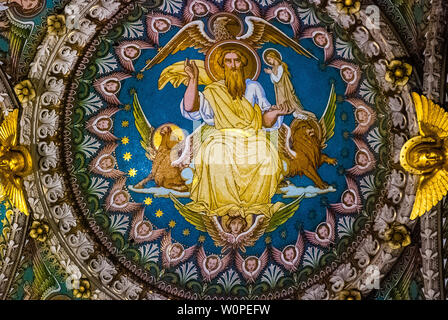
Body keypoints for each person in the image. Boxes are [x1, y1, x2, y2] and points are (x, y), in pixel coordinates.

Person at [181, 47, 289, 219]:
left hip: (251, 137)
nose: (233, 65)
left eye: (236, 60)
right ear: (222, 66)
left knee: (267, 156)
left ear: (243, 64)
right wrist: (193, 79)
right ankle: (224, 204)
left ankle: (255, 204)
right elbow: (190, 107)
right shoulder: (213, 90)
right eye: (228, 61)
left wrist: (275, 113)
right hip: (223, 137)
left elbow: (264, 119)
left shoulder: (254, 87)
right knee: (215, 153)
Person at [263, 48, 316, 120]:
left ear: (274, 57)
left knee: (290, 105)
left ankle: (302, 116)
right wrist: (271, 73)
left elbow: (278, 79)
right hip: (279, 90)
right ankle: (297, 116)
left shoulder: (280, 67)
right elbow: (274, 81)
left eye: (269, 59)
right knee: (284, 107)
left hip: (284, 90)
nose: (269, 62)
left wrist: (271, 73)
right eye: (268, 60)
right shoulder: (274, 68)